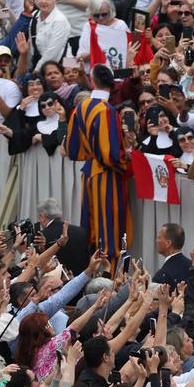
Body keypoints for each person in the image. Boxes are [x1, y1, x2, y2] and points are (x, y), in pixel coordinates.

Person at [63, 64, 131, 254]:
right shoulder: (106, 111)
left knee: (90, 226)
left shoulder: (80, 107)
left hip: (88, 172)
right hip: (106, 175)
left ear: (93, 81)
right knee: (110, 228)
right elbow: (110, 156)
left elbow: (72, 149)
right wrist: (128, 164)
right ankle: (109, 274)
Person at [35, 197, 89, 275]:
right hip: (81, 280)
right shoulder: (81, 231)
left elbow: (37, 264)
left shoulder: (41, 236)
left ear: (42, 217)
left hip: (54, 283)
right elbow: (87, 260)